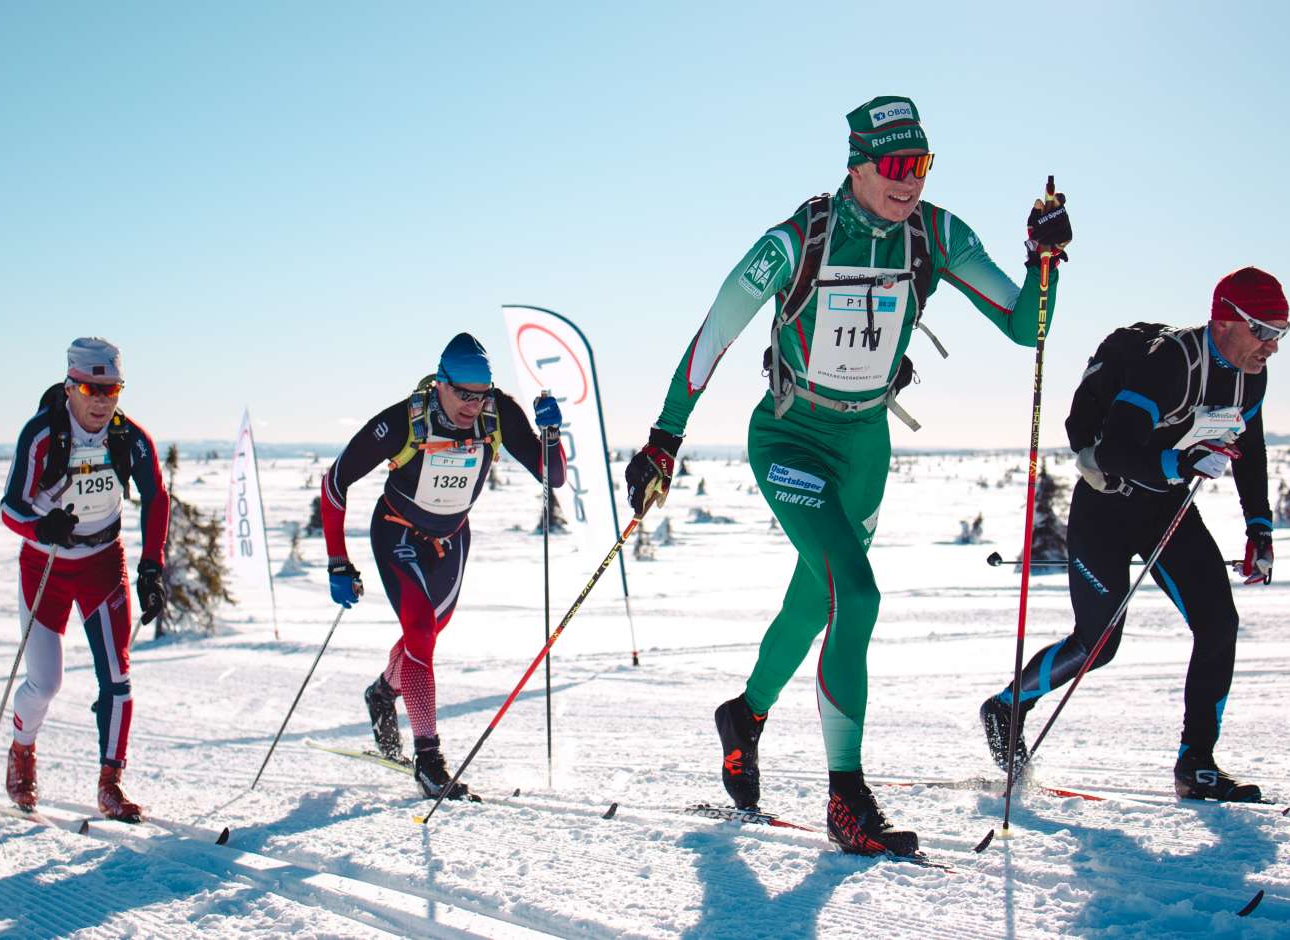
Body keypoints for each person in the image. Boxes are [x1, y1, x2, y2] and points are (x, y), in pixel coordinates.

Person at [622, 96, 1071, 856]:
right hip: (790, 439)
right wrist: (666, 435)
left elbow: (1026, 326)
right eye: (895, 164)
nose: (909, 181)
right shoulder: (798, 239)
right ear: (857, 165)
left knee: (814, 602)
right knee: (855, 595)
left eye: (921, 165)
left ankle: (745, 715)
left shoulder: (936, 234)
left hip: (865, 448)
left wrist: (1043, 260)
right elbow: (716, 329)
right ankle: (847, 797)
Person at [979, 267, 1286, 803]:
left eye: (1281, 332)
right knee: (1097, 644)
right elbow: (1116, 451)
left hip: (1165, 508)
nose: (1272, 345)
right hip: (1106, 505)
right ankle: (1007, 706)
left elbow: (1250, 448)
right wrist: (1181, 463)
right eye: (1262, 330)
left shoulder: (1249, 375)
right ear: (1224, 320)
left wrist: (1259, 526)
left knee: (1219, 623)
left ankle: (1196, 764)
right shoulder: (1170, 363)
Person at [319, 333, 566, 801]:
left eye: (482, 394)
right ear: (441, 384)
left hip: (452, 540)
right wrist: (337, 561)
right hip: (397, 533)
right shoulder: (403, 421)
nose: (474, 405)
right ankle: (429, 761)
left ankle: (382, 693)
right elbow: (334, 483)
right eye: (465, 394)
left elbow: (551, 476)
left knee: (427, 634)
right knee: (419, 633)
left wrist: (551, 436)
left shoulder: (497, 413)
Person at [0, 337, 169, 821]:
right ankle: (22, 750)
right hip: (46, 565)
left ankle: (110, 783)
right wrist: (40, 527)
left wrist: (151, 566)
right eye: (92, 389)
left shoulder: (129, 437)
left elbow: (157, 497)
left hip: (102, 563)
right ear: (71, 386)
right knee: (45, 683)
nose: (101, 401)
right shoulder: (41, 434)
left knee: (118, 676)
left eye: (112, 389)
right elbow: (10, 506)